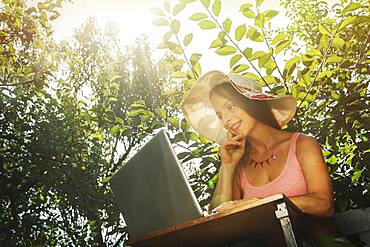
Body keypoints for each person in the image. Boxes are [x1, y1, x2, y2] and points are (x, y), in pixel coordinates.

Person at [181, 71, 355, 246]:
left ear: (252, 102)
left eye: (230, 106)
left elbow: (324, 205)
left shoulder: (302, 144)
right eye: (219, 115)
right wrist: (228, 165)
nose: (226, 120)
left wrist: (260, 205)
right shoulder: (239, 163)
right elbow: (221, 222)